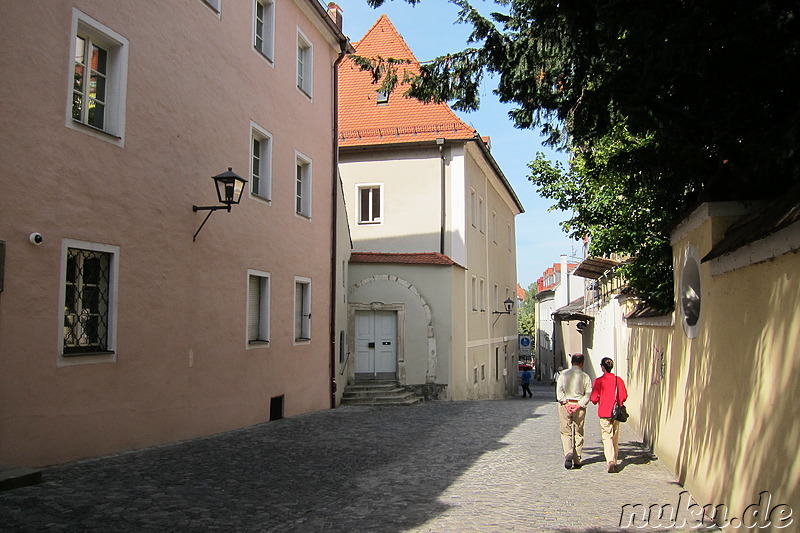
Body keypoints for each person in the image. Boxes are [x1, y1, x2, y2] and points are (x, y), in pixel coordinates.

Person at [590, 357, 628, 473]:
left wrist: (599, 399)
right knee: (615, 437)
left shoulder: (599, 381)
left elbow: (593, 398)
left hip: (604, 412)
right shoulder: (618, 380)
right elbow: (624, 396)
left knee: (607, 436)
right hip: (616, 413)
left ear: (602, 367)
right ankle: (615, 460)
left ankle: (610, 460)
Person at [556, 354, 592, 469]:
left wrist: (565, 402)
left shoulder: (563, 374)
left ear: (572, 362)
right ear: (582, 363)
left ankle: (568, 452)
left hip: (565, 405)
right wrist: (579, 404)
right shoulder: (585, 376)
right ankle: (577, 458)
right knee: (579, 432)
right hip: (579, 406)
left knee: (565, 431)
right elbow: (588, 393)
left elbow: (559, 390)